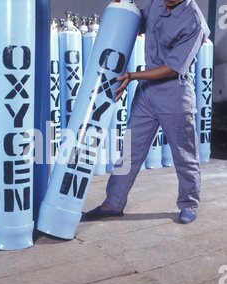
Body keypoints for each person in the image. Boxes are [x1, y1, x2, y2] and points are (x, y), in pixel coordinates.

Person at [83, 0, 211, 224]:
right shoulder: (157, 3)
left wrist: (132, 76)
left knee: (184, 155)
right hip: (147, 93)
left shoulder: (194, 22)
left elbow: (172, 69)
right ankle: (113, 203)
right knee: (130, 151)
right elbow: (137, 22)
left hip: (175, 94)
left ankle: (189, 204)